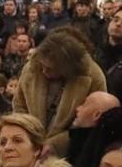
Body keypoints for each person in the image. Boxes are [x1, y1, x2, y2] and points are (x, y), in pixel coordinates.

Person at [17, 29, 106, 157]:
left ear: (66, 68)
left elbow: (93, 122)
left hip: (69, 153)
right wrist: (26, 135)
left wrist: (57, 144)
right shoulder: (33, 68)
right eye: (42, 66)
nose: (43, 71)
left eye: (50, 69)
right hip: (29, 145)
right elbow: (19, 104)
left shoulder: (93, 77)